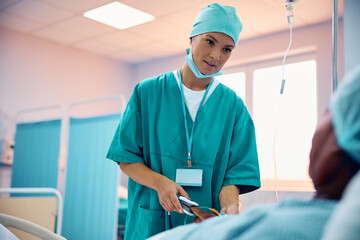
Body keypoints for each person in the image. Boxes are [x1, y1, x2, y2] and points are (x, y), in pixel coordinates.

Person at [150, 65, 360, 240]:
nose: (216, 56)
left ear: (338, 141)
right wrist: (221, 223)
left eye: (326, 113)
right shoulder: (150, 93)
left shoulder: (282, 227)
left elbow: (238, 168)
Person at [106, 3, 261, 240]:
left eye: (227, 49)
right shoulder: (146, 93)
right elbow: (126, 159)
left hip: (203, 228)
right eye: (209, 41)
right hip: (150, 224)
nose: (216, 56)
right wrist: (159, 183)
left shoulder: (234, 107)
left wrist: (231, 207)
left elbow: (234, 177)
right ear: (192, 38)